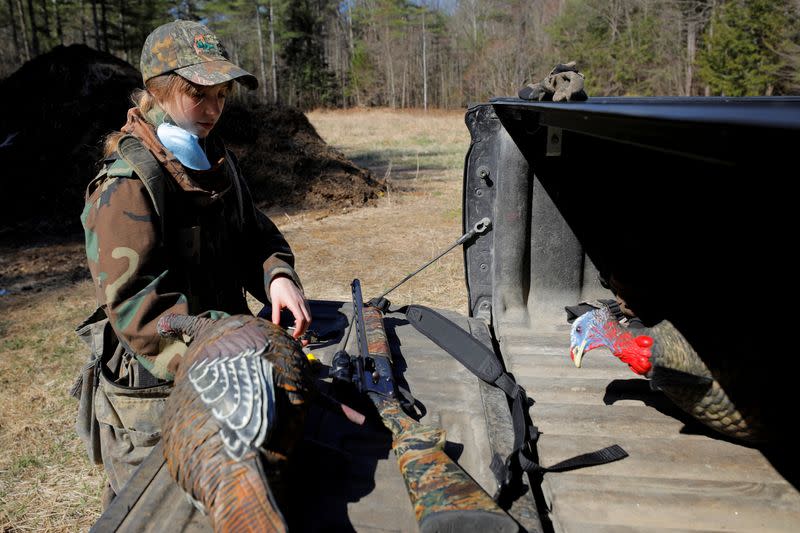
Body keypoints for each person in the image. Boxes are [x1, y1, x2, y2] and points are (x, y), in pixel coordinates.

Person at [78, 19, 311, 507]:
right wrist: (225, 350)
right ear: (160, 91)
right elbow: (137, 310)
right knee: (160, 509)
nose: (213, 110)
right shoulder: (128, 183)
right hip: (160, 381)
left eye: (221, 96)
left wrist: (277, 278)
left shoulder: (214, 160)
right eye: (199, 95)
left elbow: (255, 236)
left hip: (229, 358)